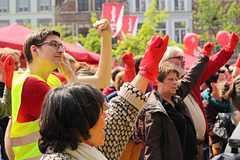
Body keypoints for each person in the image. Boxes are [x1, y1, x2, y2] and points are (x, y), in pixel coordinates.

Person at [38, 34, 169, 160]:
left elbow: (124, 109)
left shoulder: (89, 148)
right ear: (80, 121)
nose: (107, 115)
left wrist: (145, 71)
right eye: (100, 112)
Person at [8, 18, 113, 160]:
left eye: (61, 46)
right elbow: (82, 114)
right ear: (34, 50)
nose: (61, 50)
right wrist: (71, 78)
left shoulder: (52, 79)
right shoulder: (31, 84)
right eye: (53, 45)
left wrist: (106, 38)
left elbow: (101, 80)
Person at [159, 32, 239, 160]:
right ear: (166, 62)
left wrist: (227, 50)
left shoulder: (190, 80)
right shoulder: (162, 88)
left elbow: (211, 65)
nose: (183, 60)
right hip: (184, 150)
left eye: (183, 57)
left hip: (202, 147)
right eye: (179, 57)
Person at [143, 42, 211, 160]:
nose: (175, 83)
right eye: (170, 80)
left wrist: (204, 57)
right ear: (158, 82)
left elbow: (191, 78)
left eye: (176, 79)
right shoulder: (154, 109)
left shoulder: (176, 96)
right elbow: (152, 146)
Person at [203, 69, 235, 157]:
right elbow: (211, 130)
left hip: (232, 143)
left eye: (226, 79)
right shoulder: (206, 104)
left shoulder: (229, 99)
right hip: (217, 148)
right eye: (222, 80)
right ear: (213, 84)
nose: (226, 83)